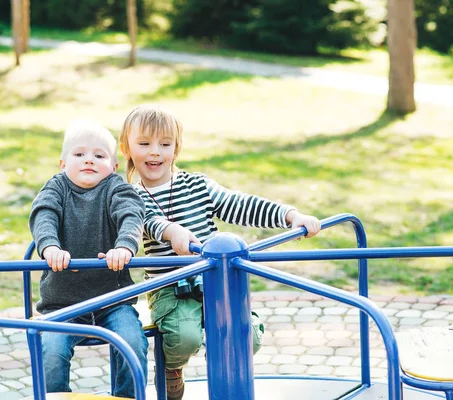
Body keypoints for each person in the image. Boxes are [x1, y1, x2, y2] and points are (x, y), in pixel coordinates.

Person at [119, 105, 321, 400]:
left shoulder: (196, 184)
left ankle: (227, 379)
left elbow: (240, 204)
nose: (155, 152)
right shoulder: (130, 195)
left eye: (165, 144)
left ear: (176, 149)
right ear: (126, 148)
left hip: (215, 282)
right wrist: (170, 231)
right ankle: (172, 370)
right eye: (144, 144)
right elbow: (146, 222)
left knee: (245, 336)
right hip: (170, 289)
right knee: (183, 338)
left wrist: (290, 216)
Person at [29, 120, 149, 398]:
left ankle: (127, 397)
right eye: (79, 154)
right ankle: (56, 396)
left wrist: (125, 246)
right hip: (62, 304)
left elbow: (132, 214)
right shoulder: (56, 187)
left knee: (132, 341)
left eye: (99, 155)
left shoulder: (116, 188)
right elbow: (43, 215)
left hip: (112, 301)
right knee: (51, 349)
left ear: (114, 166)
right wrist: (49, 248)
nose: (89, 160)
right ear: (62, 163)